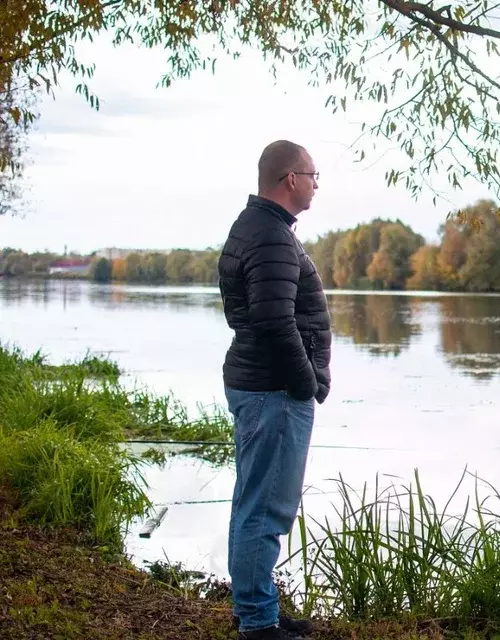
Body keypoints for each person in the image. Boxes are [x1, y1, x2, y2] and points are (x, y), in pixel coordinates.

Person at [217, 140, 332, 639]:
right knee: (266, 507)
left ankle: (255, 608)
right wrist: (306, 382)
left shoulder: (259, 228)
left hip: (260, 384)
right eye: (313, 175)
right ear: (290, 178)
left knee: (254, 501)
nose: (315, 184)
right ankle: (259, 625)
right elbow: (272, 320)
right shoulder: (270, 237)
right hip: (274, 390)